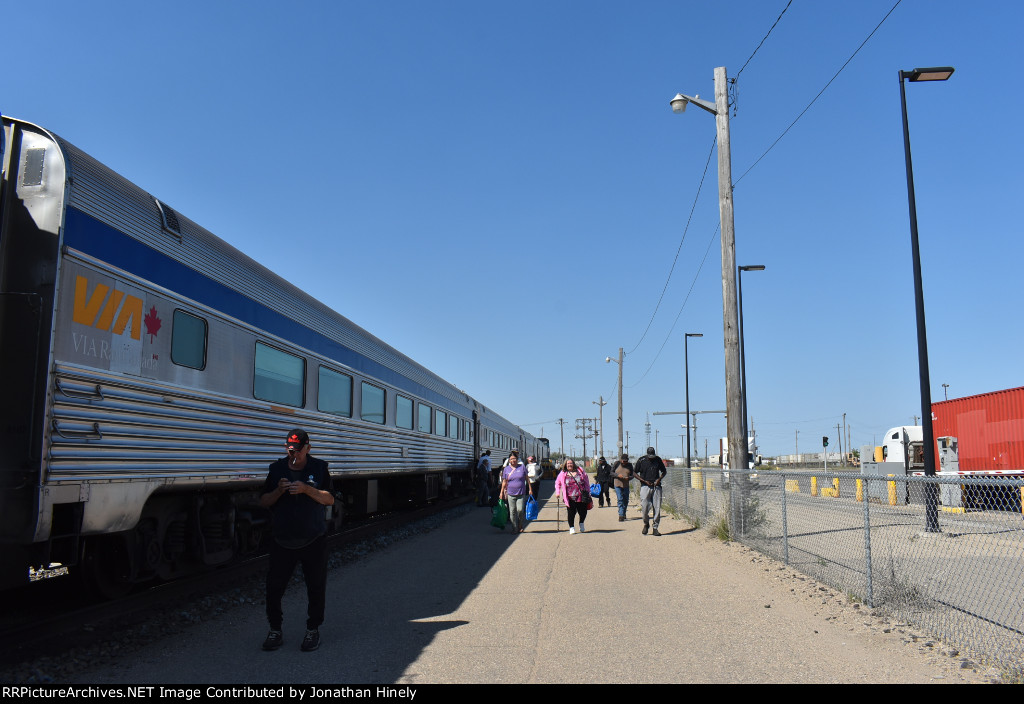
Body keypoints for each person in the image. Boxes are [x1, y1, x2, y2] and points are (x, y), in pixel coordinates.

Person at [260, 429, 336, 652]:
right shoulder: (276, 469)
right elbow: (264, 501)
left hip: (314, 539)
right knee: (274, 588)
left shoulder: (319, 468)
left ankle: (313, 629)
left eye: (299, 450)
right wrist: (278, 491)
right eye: (290, 449)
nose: (294, 454)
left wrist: (306, 489)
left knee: (315, 587)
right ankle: (275, 629)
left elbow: (329, 498)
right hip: (283, 540)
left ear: (308, 448)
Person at [634, 446, 667, 536]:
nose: (652, 458)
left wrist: (659, 479)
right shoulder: (641, 460)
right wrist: (644, 481)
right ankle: (646, 524)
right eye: (650, 456)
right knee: (644, 507)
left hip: (656, 487)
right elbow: (634, 472)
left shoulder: (658, 460)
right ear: (647, 454)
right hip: (645, 487)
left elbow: (664, 471)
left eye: (653, 456)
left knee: (657, 508)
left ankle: (655, 528)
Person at [554, 458, 591, 534]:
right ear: (565, 465)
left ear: (573, 464)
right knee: (571, 513)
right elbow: (557, 483)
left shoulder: (580, 470)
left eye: (571, 463)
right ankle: (571, 527)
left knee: (583, 512)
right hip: (569, 497)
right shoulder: (563, 473)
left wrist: (588, 492)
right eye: (568, 464)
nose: (569, 465)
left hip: (581, 496)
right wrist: (557, 492)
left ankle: (581, 523)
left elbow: (586, 481)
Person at [500, 450, 532, 533]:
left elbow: (527, 479)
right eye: (511, 459)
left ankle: (520, 525)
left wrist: (530, 489)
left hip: (521, 492)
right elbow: (504, 481)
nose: (512, 460)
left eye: (514, 458)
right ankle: (514, 528)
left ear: (517, 459)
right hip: (510, 493)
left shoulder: (522, 467)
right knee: (512, 511)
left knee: (520, 510)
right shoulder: (506, 469)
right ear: (509, 460)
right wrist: (501, 492)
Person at [611, 453, 634, 522]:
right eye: (623, 461)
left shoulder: (630, 465)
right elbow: (611, 473)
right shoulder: (616, 464)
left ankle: (623, 513)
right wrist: (617, 475)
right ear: (621, 460)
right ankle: (621, 515)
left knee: (625, 500)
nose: (625, 462)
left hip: (626, 485)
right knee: (620, 499)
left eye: (626, 461)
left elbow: (633, 475)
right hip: (617, 485)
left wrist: (629, 478)